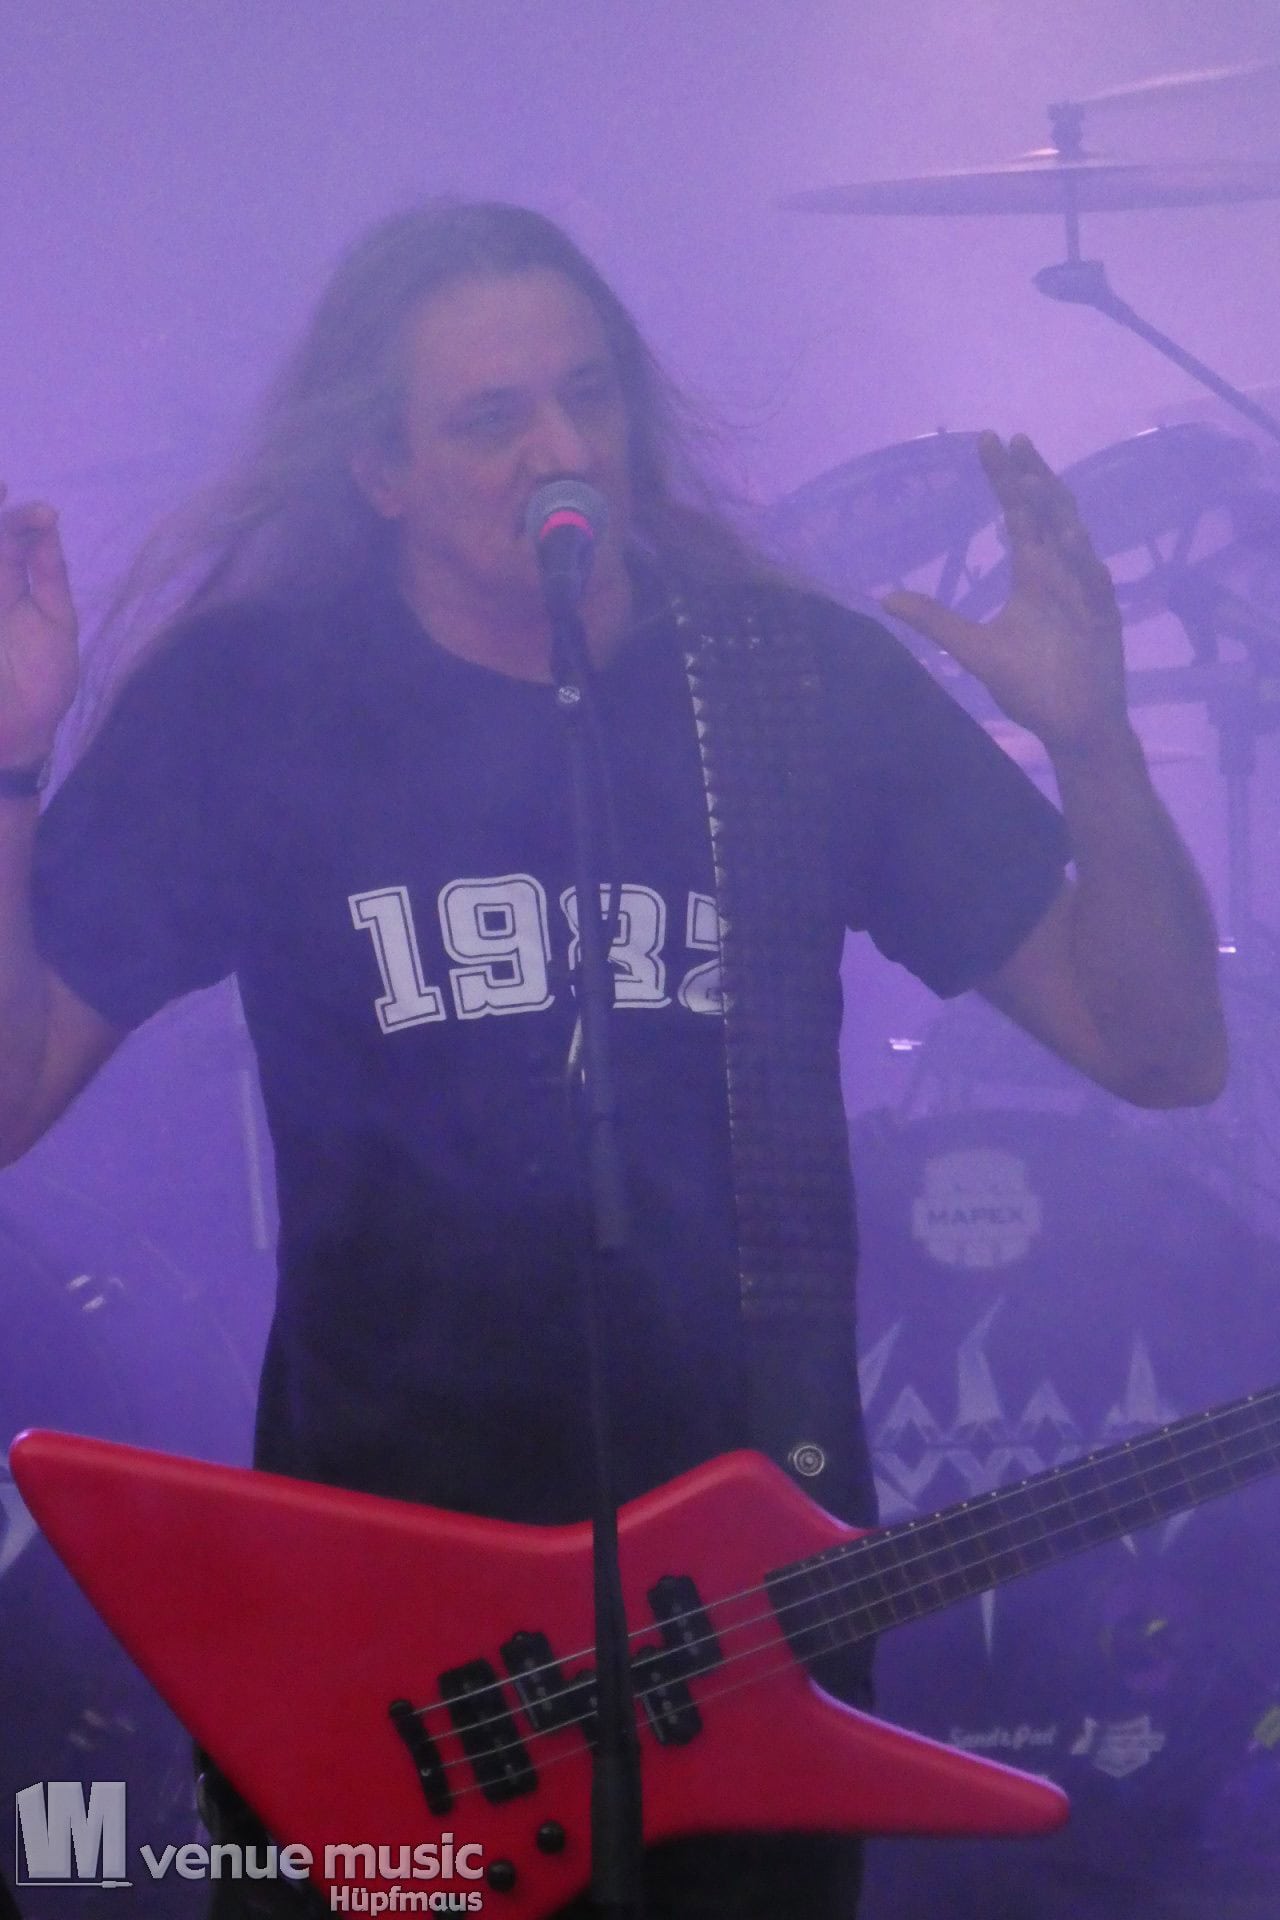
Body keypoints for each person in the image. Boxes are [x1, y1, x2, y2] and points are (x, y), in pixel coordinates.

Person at [0, 201, 1226, 1919]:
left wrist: (1094, 745)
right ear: (380, 472)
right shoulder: (257, 700)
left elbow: (1158, 1046)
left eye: (589, 395)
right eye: (491, 419)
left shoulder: (791, 685)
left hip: (745, 1604)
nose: (561, 452)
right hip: (382, 1628)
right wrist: (10, 769)